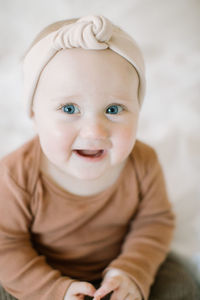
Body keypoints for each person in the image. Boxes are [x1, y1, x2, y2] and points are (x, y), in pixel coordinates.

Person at [0, 15, 199, 300]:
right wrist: (55, 290)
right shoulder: (15, 174)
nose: (94, 132)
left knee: (182, 287)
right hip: (38, 274)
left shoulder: (143, 162)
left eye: (114, 109)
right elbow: (6, 246)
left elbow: (154, 223)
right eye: (69, 109)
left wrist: (131, 271)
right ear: (34, 115)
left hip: (119, 266)